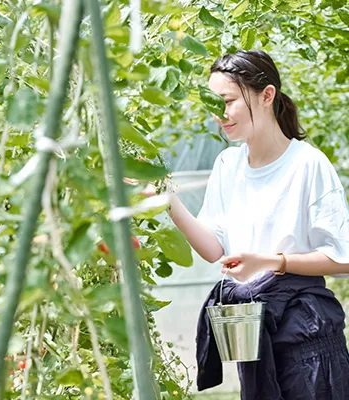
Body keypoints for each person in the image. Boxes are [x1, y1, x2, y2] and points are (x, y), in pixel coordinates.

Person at [139, 50, 349, 399]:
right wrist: (167, 199)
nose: (219, 115)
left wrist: (271, 262)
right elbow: (213, 249)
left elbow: (344, 258)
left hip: (308, 337)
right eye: (213, 103)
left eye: (228, 101)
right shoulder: (228, 165)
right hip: (255, 334)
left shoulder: (308, 164)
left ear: (267, 95)